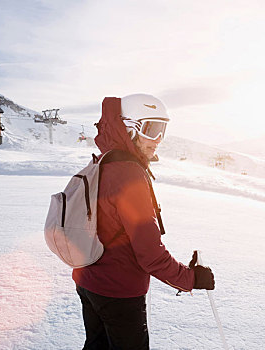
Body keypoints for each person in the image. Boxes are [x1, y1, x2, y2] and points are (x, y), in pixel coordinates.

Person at [73, 94, 215, 350]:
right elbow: (149, 254)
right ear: (129, 128)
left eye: (163, 129)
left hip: (88, 282)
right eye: (151, 129)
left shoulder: (104, 162)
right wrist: (191, 278)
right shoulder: (128, 175)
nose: (158, 139)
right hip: (118, 293)